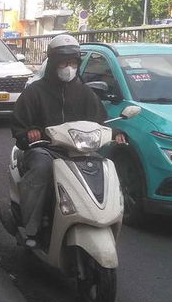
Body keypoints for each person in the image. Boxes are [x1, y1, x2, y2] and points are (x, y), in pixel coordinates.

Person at [11, 34, 126, 243]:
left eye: (72, 63)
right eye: (63, 63)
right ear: (53, 64)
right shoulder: (35, 92)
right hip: (46, 150)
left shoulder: (85, 93)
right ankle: (32, 228)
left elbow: (100, 122)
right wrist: (30, 132)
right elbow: (20, 124)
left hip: (79, 151)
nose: (68, 68)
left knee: (105, 168)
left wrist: (115, 133)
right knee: (41, 168)